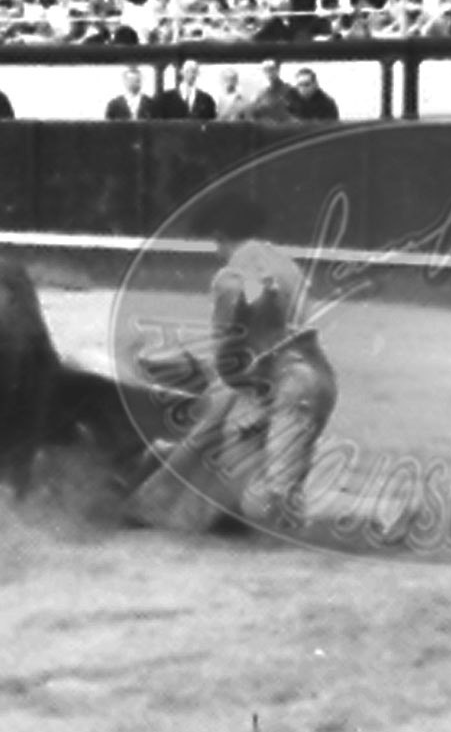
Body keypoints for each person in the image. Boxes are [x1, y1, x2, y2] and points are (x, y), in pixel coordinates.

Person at [125, 191, 338, 533]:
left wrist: (201, 365)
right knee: (245, 470)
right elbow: (267, 318)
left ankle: (378, 513)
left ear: (219, 236)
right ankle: (167, 485)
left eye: (215, 243)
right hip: (311, 379)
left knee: (265, 500)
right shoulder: (284, 263)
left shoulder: (234, 275)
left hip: (286, 385)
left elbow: (240, 334)